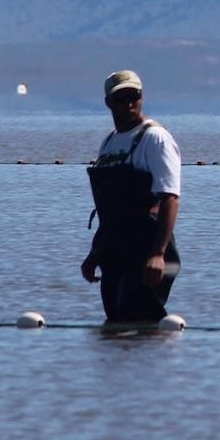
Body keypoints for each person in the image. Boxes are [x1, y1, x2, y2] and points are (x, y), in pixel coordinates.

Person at [82, 69, 183, 323]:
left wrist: (158, 254)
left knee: (140, 319)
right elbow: (110, 209)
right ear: (108, 102)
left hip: (148, 248)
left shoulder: (155, 139)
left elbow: (170, 198)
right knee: (115, 323)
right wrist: (96, 253)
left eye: (134, 96)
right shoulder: (110, 142)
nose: (128, 103)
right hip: (115, 248)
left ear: (141, 97)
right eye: (120, 98)